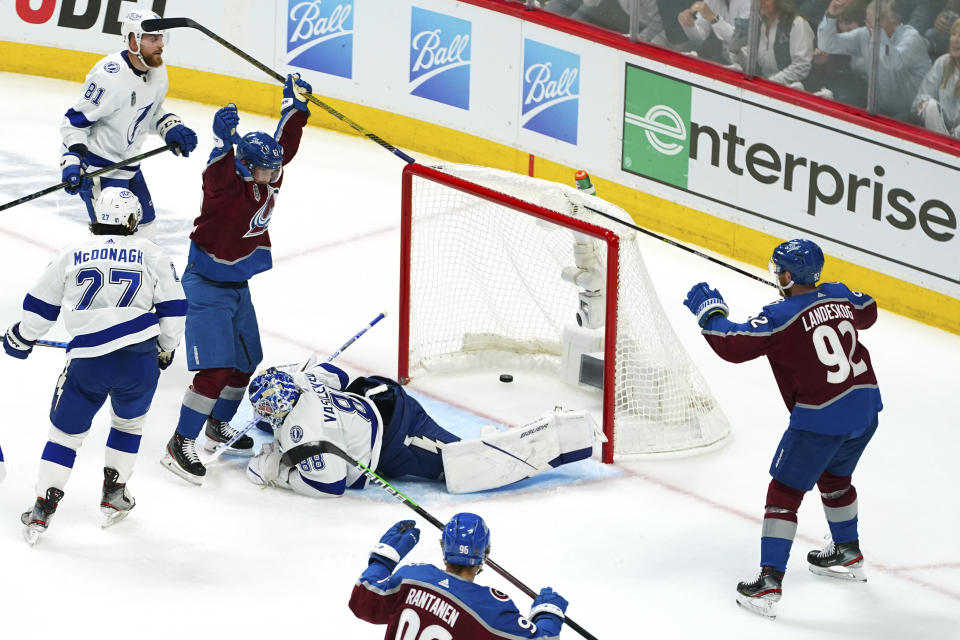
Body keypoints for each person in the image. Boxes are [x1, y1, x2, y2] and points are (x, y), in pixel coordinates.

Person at [682, 239, 882, 618]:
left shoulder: (780, 318)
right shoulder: (840, 296)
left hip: (820, 419)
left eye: (779, 270)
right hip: (866, 407)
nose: (776, 276)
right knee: (835, 477)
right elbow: (868, 309)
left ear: (788, 276)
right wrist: (833, 296)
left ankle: (769, 582)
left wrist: (710, 313)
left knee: (784, 491)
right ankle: (847, 551)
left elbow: (732, 344)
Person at [3, 187, 186, 545]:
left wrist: (21, 337)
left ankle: (44, 505)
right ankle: (114, 494)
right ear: (132, 220)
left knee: (65, 436)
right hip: (138, 362)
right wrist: (165, 348)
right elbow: (174, 309)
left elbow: (41, 305)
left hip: (87, 363)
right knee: (129, 425)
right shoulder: (153, 253)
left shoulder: (72, 252)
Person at [160, 73, 313, 485]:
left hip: (237, 286)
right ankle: (180, 442)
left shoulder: (268, 173)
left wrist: (294, 110)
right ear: (246, 165)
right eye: (264, 170)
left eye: (273, 170)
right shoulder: (225, 187)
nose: (272, 176)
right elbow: (214, 174)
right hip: (205, 285)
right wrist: (221, 143)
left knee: (245, 361)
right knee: (215, 369)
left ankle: (216, 424)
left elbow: (284, 146)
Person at [242, 362, 602, 497]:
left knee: (465, 464)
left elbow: (330, 484)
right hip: (378, 397)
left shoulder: (303, 430)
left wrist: (280, 471)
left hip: (401, 436)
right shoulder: (297, 379)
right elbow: (335, 375)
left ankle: (569, 436)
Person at [59, 10, 197, 236]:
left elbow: (146, 113)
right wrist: (72, 161)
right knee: (115, 241)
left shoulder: (158, 70)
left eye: (162, 38)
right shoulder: (109, 77)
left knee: (147, 231)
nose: (160, 44)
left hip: (129, 165)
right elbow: (74, 123)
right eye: (153, 39)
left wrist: (169, 127)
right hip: (100, 169)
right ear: (134, 41)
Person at [349, 514, 569, 638]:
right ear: (486, 553)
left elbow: (363, 602)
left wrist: (382, 560)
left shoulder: (411, 577)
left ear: (443, 547)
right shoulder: (490, 608)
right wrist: (548, 614)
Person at [817, 0, 931, 118]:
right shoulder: (866, 33)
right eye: (867, 22)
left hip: (910, 113)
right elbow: (827, 45)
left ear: (893, 20)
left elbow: (892, 62)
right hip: (878, 110)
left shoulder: (911, 38)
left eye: (876, 23)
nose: (869, 27)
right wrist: (831, 16)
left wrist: (878, 35)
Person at [733, 0, 815, 86]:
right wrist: (737, 52)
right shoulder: (759, 25)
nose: (761, 2)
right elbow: (751, 66)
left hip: (790, 91)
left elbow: (801, 65)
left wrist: (770, 83)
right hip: (761, 87)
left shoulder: (797, 24)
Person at [912, 16, 960, 136]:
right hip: (937, 131)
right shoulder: (942, 62)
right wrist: (924, 105)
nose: (955, 40)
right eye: (953, 34)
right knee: (931, 106)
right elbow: (921, 97)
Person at [678, 0, 751, 63]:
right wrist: (689, 25)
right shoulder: (711, 1)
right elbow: (700, 38)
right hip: (725, 60)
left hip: (747, 65)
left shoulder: (749, 2)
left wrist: (714, 19)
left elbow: (740, 39)